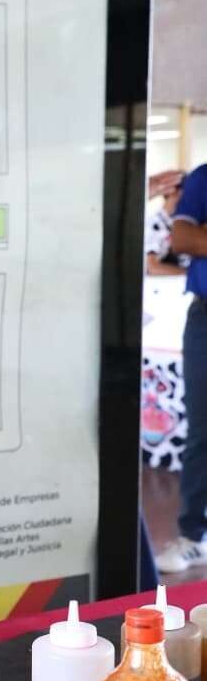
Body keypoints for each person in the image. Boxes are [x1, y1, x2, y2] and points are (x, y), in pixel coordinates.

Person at [156, 164, 207, 572]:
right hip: (205, 320)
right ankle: (194, 535)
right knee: (202, 430)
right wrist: (196, 237)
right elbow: (184, 236)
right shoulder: (204, 177)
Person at [144, 172, 186, 277]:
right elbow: (151, 267)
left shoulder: (180, 224)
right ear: (174, 192)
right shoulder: (154, 224)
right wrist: (193, 275)